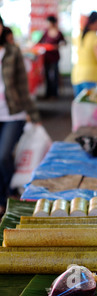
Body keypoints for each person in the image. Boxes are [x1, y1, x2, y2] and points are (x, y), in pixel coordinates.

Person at [0, 16, 41, 216]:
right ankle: (4, 196)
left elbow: (23, 86)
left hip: (12, 113)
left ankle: (6, 195)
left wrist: (32, 113)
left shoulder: (13, 52)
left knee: (3, 155)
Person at [71, 11, 97, 97]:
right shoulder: (95, 38)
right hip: (91, 76)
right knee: (90, 107)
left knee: (80, 106)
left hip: (77, 75)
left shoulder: (79, 36)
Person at [38, 15, 67, 99]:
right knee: (47, 76)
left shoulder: (59, 33)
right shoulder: (46, 32)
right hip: (47, 57)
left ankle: (54, 94)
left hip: (55, 57)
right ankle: (48, 93)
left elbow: (64, 43)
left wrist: (57, 46)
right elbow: (39, 42)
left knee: (54, 76)